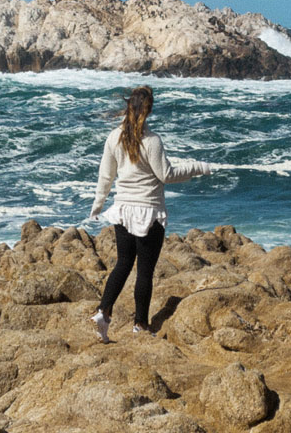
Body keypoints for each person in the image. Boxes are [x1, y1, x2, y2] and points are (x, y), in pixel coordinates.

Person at [89, 84, 212, 341]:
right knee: (144, 271)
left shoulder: (114, 137)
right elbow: (166, 175)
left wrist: (98, 204)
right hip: (149, 212)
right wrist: (199, 167)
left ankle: (103, 311)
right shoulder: (152, 140)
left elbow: (105, 175)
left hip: (123, 210)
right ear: (149, 110)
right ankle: (141, 325)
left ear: (127, 106)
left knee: (122, 264)